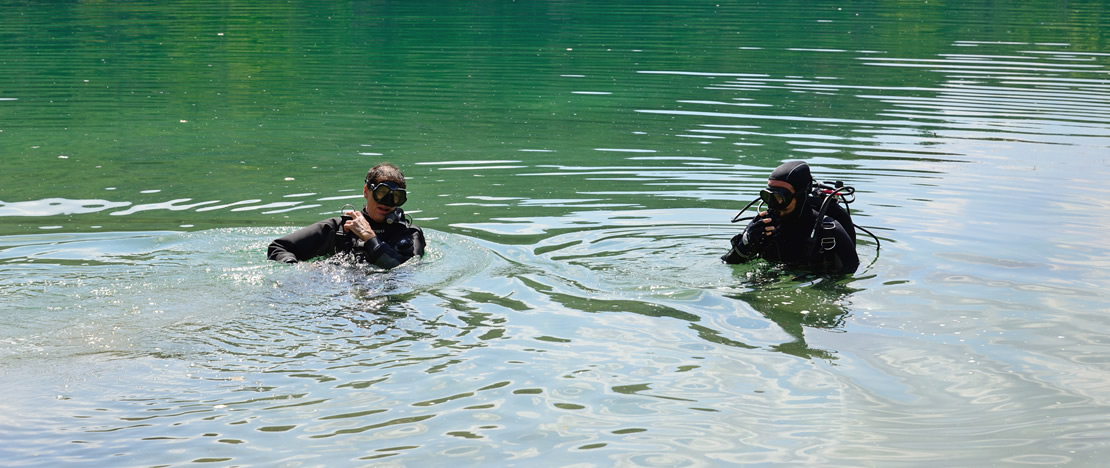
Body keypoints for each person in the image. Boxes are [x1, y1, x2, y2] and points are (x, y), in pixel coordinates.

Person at [267, 162, 425, 269]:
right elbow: (278, 248)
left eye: (396, 197)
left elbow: (404, 270)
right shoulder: (339, 229)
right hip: (340, 296)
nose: (387, 202)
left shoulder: (410, 235)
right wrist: (301, 270)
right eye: (381, 193)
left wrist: (369, 237)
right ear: (366, 191)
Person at [722, 161, 859, 274]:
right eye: (769, 196)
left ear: (800, 197)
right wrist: (745, 242)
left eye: (779, 198)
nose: (772, 205)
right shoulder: (764, 225)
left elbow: (851, 274)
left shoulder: (829, 231)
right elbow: (727, 262)